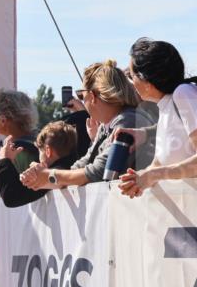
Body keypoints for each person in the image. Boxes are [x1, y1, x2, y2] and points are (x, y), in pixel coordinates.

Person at [21, 60, 150, 192]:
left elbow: (99, 172)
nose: (82, 100)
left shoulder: (128, 120)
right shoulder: (108, 126)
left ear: (92, 96)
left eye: (81, 95)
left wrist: (51, 176)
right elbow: (82, 165)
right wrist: (43, 178)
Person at [118, 39, 197, 197]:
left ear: (146, 80)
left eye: (131, 76)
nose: (131, 83)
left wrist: (153, 175)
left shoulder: (183, 94)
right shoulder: (167, 107)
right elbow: (158, 164)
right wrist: (136, 180)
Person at [0, 122, 78, 207]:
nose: (39, 158)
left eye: (40, 151)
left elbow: (11, 197)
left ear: (48, 151)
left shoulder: (52, 174)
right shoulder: (76, 167)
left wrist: (4, 160)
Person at [0, 89, 40, 173]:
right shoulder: (39, 139)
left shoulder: (17, 151)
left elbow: (10, 186)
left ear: (3, 120)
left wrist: (2, 167)